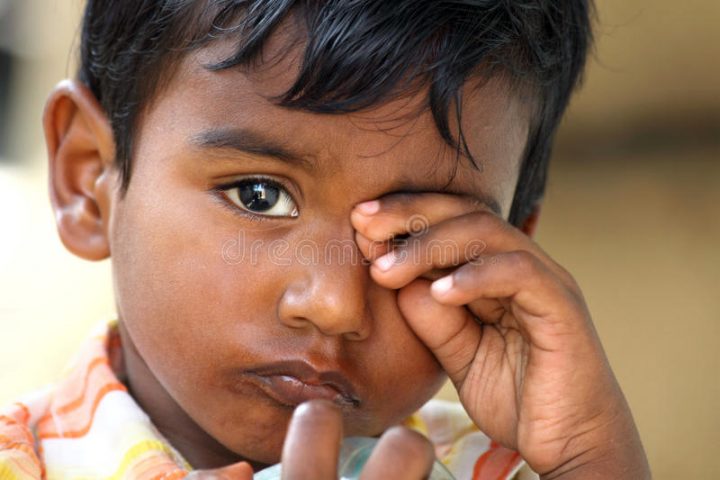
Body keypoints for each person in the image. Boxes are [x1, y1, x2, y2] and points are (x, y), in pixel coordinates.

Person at [0, 1, 651, 478]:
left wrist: (587, 456)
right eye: (259, 195)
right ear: (91, 179)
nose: (336, 305)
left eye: (412, 239)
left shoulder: (505, 468)